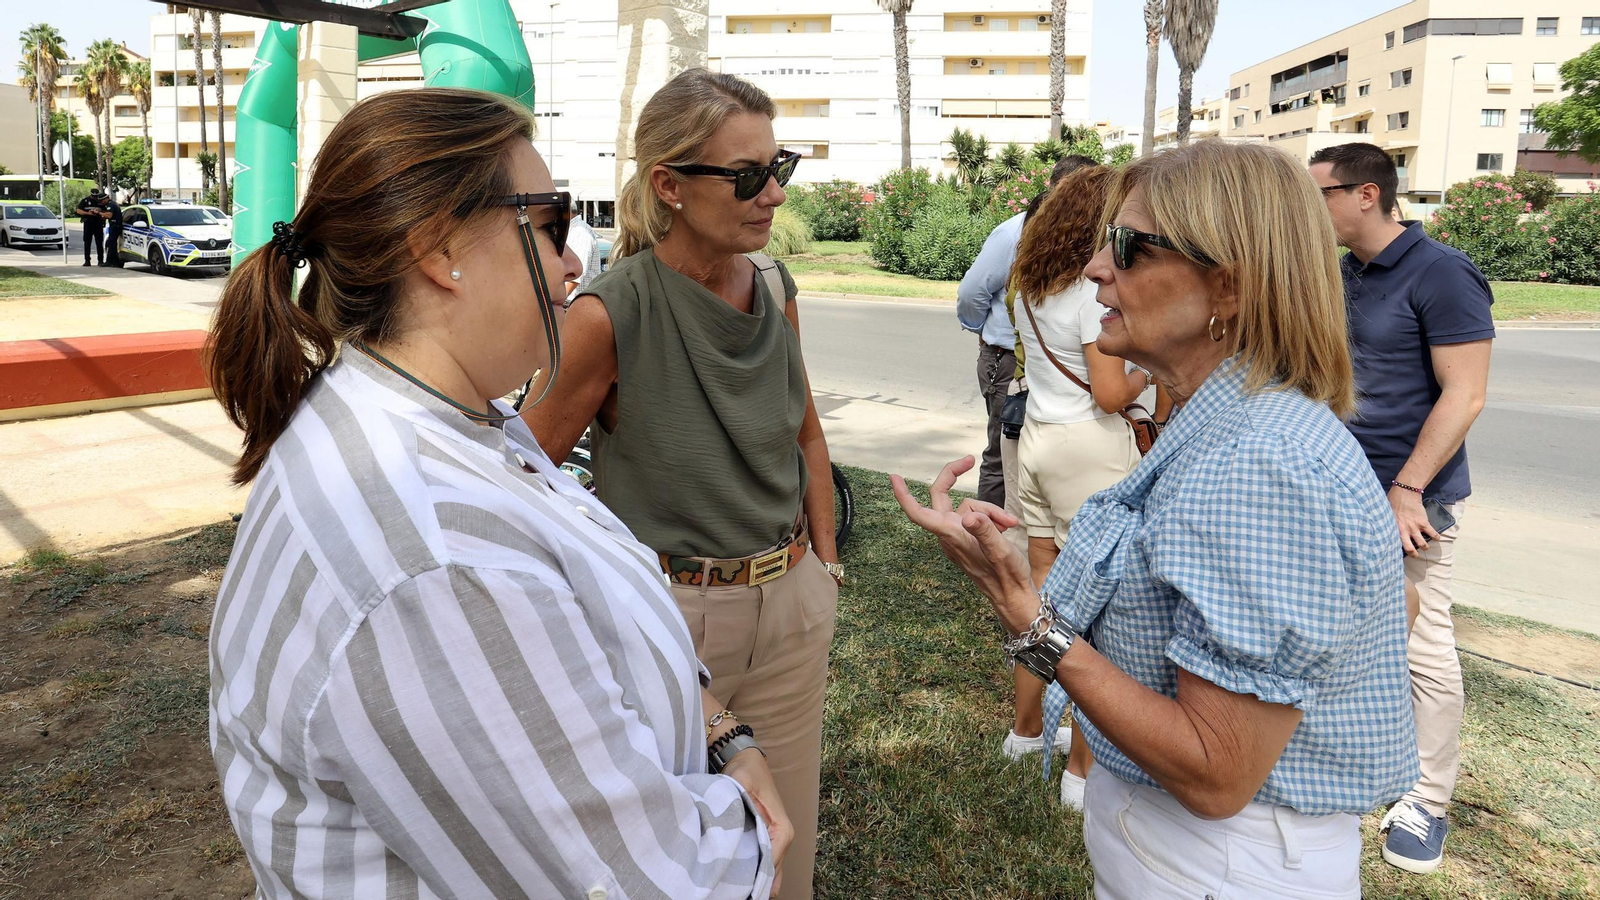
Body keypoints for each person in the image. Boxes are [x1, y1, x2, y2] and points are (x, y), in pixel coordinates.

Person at [205, 87, 791, 900]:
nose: (574, 261)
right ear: (440, 252)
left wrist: (721, 732)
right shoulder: (435, 567)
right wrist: (751, 824)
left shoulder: (440, 418)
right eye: (550, 225)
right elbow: (653, 883)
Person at [894, 140, 1418, 898]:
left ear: (1228, 289)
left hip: (1216, 862)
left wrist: (1022, 611)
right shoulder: (1233, 424)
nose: (1097, 269)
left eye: (1128, 247)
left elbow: (1216, 772)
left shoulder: (1257, 463)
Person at [525, 68, 837, 900]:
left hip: (790, 601)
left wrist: (825, 564)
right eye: (746, 176)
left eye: (780, 167)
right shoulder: (607, 314)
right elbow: (522, 485)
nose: (772, 193)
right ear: (669, 185)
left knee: (783, 852)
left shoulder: (774, 286)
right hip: (668, 620)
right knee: (667, 860)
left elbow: (806, 431)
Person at [1310, 142, 1494, 875]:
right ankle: (1350, 768)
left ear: (1365, 195)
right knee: (1344, 640)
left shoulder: (1442, 272)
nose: (1310, 206)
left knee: (1422, 647)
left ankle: (1426, 800)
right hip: (1338, 491)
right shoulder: (1345, 272)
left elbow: (1466, 393)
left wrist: (1408, 489)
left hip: (1407, 501)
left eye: (1319, 192)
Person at [1004, 165, 1152, 807]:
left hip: (1036, 439)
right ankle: (1082, 774)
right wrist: (1152, 368)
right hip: (1088, 451)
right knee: (1100, 617)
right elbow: (1111, 390)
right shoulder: (1089, 297)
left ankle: (1026, 732)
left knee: (1043, 600)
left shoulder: (1033, 284)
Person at [958, 154, 1099, 509]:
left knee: (1036, 454)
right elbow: (971, 294)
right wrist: (986, 332)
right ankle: (989, 542)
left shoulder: (1084, 240)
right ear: (1054, 188)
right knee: (1002, 453)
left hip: (1055, 366)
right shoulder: (1012, 234)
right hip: (1007, 364)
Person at [75, 187, 108, 267]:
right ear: (91, 194)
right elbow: (78, 210)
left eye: (96, 196)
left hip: (98, 224)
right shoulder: (85, 201)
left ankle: (100, 260)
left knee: (99, 243)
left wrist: (99, 213)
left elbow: (105, 211)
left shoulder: (100, 202)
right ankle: (87, 260)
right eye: (93, 196)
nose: (95, 197)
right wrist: (88, 213)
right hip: (88, 224)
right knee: (87, 243)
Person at [101, 190, 124, 268]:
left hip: (115, 226)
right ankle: (115, 261)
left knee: (111, 244)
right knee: (112, 244)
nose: (101, 202)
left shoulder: (111, 205)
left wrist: (99, 213)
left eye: (102, 200)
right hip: (114, 225)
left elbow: (109, 215)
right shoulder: (112, 204)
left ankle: (110, 261)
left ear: (106, 199)